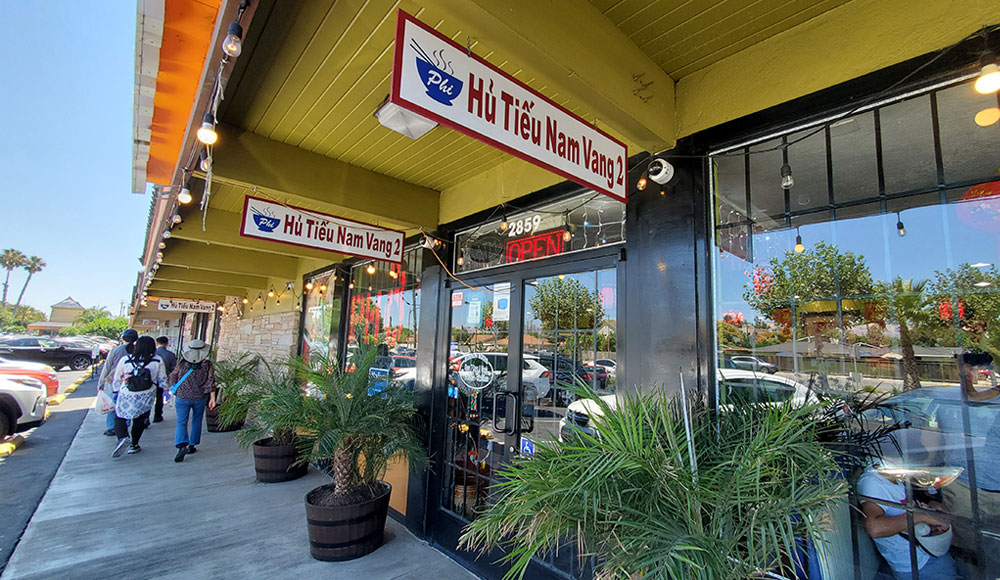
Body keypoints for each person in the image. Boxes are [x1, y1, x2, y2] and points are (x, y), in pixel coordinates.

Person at [858, 466, 963, 579]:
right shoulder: (872, 482)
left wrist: (932, 507)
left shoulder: (897, 478)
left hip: (930, 553)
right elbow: (875, 528)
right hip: (917, 565)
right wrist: (922, 517)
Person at [110, 336, 168, 457]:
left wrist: (117, 389)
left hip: (127, 393)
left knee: (119, 417)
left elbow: (117, 378)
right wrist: (166, 392)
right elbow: (162, 380)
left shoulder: (126, 359)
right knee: (140, 419)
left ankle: (123, 438)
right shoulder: (157, 360)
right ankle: (134, 444)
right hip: (146, 394)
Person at [167, 339, 216, 463]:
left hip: (182, 396)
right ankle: (192, 444)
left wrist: (173, 387)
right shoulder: (207, 365)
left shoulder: (183, 363)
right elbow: (210, 381)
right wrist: (212, 398)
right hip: (199, 397)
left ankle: (181, 445)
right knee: (197, 420)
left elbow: (173, 375)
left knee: (181, 422)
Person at [98, 329, 138, 436]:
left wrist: (100, 383)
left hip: (114, 382)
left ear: (123, 338)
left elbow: (107, 368)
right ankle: (125, 425)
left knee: (113, 405)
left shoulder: (115, 350)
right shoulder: (138, 350)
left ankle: (112, 427)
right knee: (128, 405)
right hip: (131, 382)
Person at [153, 336, 177, 423]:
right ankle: (157, 415)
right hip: (164, 379)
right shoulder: (171, 355)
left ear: (157, 343)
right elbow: (174, 369)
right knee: (160, 397)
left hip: (151, 379)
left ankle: (145, 418)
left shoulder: (152, 353)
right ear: (167, 344)